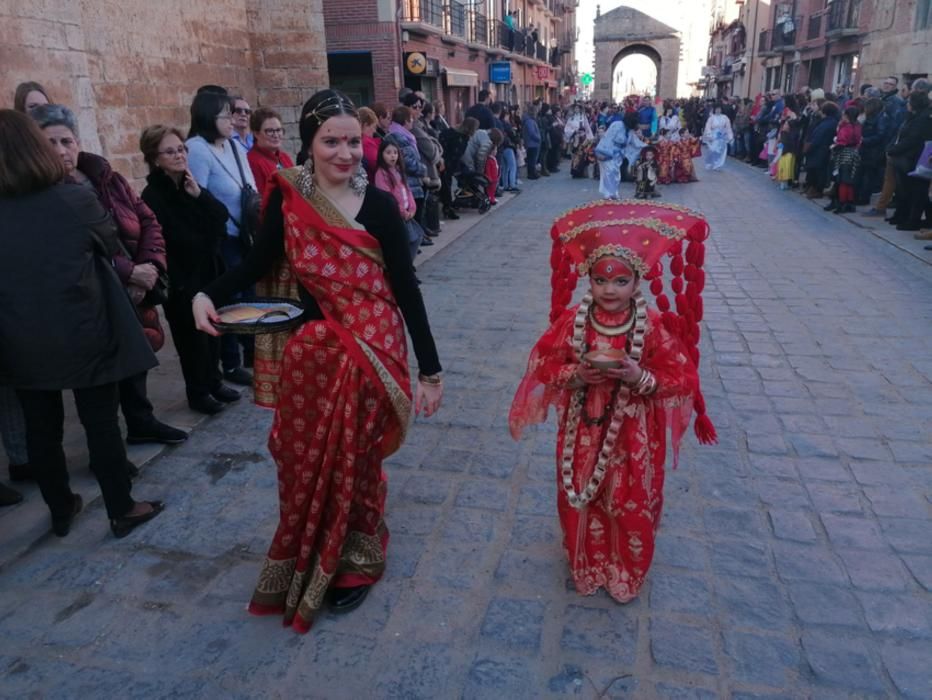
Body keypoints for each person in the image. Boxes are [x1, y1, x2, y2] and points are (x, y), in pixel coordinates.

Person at [192, 89, 443, 633]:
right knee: (297, 455)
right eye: (331, 140)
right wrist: (207, 293)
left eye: (354, 141)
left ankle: (356, 558)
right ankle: (309, 548)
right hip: (312, 356)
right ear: (309, 143)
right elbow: (259, 261)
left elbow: (406, 288)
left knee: (358, 458)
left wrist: (430, 371)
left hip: (372, 352)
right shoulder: (288, 199)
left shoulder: (378, 206)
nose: (345, 152)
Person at [509, 200, 715, 603]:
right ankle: (586, 559)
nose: (609, 290)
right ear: (589, 281)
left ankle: (626, 566)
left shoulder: (651, 326)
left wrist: (641, 377)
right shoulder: (574, 320)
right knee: (582, 489)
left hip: (634, 429)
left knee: (629, 496)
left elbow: (681, 377)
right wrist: (577, 375)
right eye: (601, 281)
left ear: (637, 282)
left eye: (620, 281)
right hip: (583, 425)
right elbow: (545, 365)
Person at [0, 109, 165, 536]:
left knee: (42, 428)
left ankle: (60, 508)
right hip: (84, 325)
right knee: (101, 421)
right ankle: (121, 507)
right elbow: (106, 242)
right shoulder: (72, 197)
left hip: (21, 335)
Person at [31, 104, 187, 447]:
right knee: (106, 374)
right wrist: (129, 273)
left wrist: (150, 268)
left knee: (138, 353)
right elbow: (68, 249)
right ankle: (108, 450)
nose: (61, 151)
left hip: (137, 285)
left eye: (67, 141)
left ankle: (141, 421)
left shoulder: (107, 177)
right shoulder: (39, 196)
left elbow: (147, 221)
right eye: (51, 143)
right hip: (96, 291)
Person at [139, 125, 238, 415]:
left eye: (181, 149)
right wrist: (209, 234)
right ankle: (198, 391)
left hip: (208, 271)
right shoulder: (153, 195)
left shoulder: (190, 184)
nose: (179, 155)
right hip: (182, 279)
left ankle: (214, 381)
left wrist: (200, 196)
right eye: (170, 151)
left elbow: (221, 218)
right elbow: (177, 238)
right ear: (155, 158)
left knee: (213, 332)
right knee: (191, 340)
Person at [186, 90, 257, 386]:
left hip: (244, 233)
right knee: (229, 299)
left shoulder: (234, 146)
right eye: (225, 115)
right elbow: (196, 197)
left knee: (249, 296)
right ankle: (230, 362)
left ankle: (250, 353)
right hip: (222, 238)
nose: (232, 120)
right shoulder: (198, 149)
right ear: (207, 117)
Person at [887, 90, 932, 233]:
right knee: (904, 190)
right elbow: (902, 134)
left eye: (909, 101)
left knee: (916, 192)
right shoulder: (913, 116)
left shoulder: (923, 119)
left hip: (916, 159)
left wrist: (894, 149)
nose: (907, 104)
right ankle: (902, 215)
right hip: (907, 157)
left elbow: (913, 139)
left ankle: (913, 220)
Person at [373, 139, 420, 260]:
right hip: (395, 215)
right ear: (381, 154)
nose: (392, 155)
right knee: (404, 243)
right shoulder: (381, 173)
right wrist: (403, 212)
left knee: (417, 237)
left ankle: (408, 266)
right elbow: (387, 197)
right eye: (388, 152)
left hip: (406, 214)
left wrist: (412, 208)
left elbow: (408, 190)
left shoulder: (398, 170)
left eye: (395, 152)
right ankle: (405, 268)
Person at [247, 107, 294, 198]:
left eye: (278, 130)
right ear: (256, 134)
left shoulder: (285, 157)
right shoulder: (252, 161)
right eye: (270, 131)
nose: (276, 135)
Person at [824, 106, 862, 214]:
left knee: (842, 181)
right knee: (849, 181)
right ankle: (850, 203)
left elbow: (842, 142)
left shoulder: (846, 127)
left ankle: (841, 203)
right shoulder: (858, 126)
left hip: (843, 155)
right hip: (854, 154)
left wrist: (833, 146)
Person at [803, 102, 840, 199]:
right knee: (817, 170)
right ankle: (814, 188)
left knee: (818, 171)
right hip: (821, 149)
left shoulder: (827, 123)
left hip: (820, 149)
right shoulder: (829, 122)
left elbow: (818, 136)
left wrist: (810, 146)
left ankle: (817, 190)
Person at [702, 105, 733, 171]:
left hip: (722, 137)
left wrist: (730, 136)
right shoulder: (711, 118)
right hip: (714, 136)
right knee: (712, 150)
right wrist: (709, 135)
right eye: (716, 109)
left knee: (721, 151)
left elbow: (728, 127)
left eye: (719, 109)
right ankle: (711, 163)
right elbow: (707, 127)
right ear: (714, 110)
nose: (718, 110)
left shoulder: (725, 117)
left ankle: (718, 165)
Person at [358, 107, 381, 180]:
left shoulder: (357, 141)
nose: (374, 131)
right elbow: (377, 165)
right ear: (366, 125)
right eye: (373, 127)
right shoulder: (366, 143)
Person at [522, 105, 542, 179]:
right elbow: (532, 133)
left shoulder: (530, 120)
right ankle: (531, 174)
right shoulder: (530, 121)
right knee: (532, 160)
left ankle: (532, 173)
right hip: (532, 143)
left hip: (531, 143)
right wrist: (538, 138)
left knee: (531, 159)